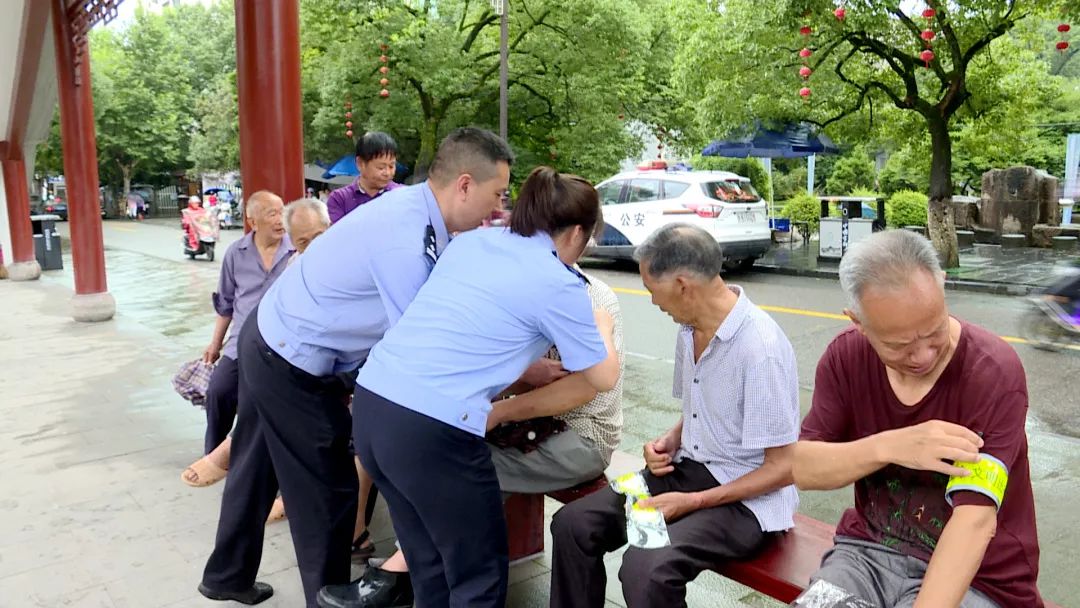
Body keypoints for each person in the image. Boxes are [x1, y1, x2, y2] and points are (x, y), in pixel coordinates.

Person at [197, 128, 514, 608]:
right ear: (465, 184)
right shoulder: (403, 236)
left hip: (275, 336)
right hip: (288, 358)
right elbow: (422, 341)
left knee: (255, 465)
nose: (496, 210)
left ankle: (226, 576)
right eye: (497, 195)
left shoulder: (418, 213)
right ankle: (324, 600)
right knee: (329, 490)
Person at [323, 167, 619, 608]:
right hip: (432, 431)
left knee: (429, 561)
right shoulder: (559, 282)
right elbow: (602, 378)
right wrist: (604, 327)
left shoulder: (473, 242)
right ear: (578, 232)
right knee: (477, 577)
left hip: (372, 408)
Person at [548, 223, 801, 608]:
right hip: (684, 475)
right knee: (574, 525)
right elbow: (702, 410)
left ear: (683, 284)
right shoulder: (690, 328)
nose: (652, 302)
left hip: (743, 502)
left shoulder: (760, 347)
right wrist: (672, 438)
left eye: (652, 289)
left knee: (646, 568)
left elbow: (782, 468)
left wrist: (694, 501)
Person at [792, 229, 1042, 608]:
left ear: (942, 285)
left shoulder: (992, 371)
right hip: (866, 556)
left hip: (979, 577)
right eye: (898, 345)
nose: (923, 355)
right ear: (857, 322)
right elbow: (804, 470)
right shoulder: (845, 359)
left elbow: (975, 521)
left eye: (933, 331)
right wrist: (893, 446)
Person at [183, 198, 330, 489]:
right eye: (270, 213)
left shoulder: (299, 254)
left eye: (279, 212)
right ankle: (216, 452)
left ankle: (250, 459)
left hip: (294, 349)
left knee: (269, 392)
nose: (277, 220)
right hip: (246, 342)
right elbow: (225, 304)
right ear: (252, 221)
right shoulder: (238, 254)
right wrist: (215, 343)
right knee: (219, 390)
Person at [327, 131, 402, 224]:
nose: (387, 173)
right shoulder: (339, 199)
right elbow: (339, 235)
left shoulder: (402, 195)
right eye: (381, 167)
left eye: (391, 166)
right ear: (360, 163)